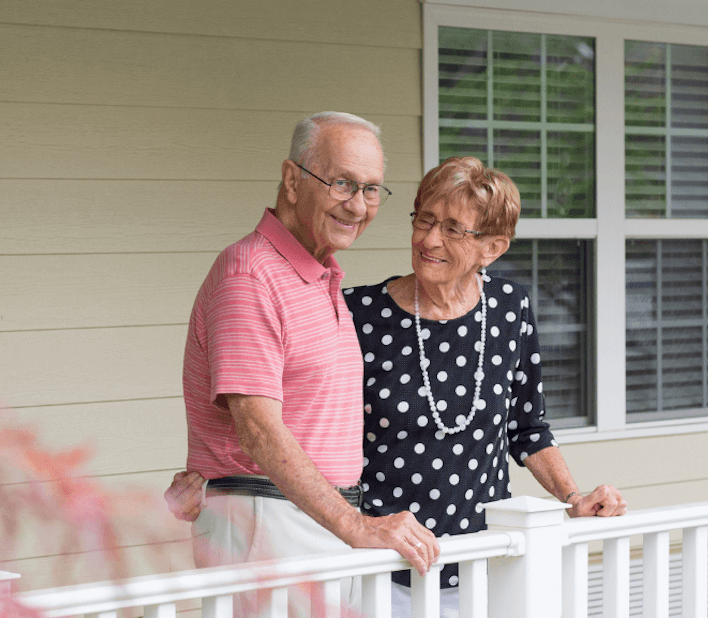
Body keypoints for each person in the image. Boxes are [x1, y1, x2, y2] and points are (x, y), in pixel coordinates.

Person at [170, 156, 626, 617]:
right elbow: (286, 411)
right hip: (377, 566)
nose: (429, 239)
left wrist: (572, 497)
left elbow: (527, 428)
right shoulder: (358, 312)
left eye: (452, 229)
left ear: (493, 247)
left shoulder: (510, 308)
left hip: (482, 563)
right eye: (424, 219)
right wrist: (215, 477)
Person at [181, 111, 439, 617]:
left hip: (314, 518)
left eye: (371, 189)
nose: (358, 205)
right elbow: (256, 431)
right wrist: (357, 525)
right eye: (342, 183)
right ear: (292, 180)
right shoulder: (250, 274)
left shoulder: (320, 277)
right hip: (269, 517)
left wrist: (350, 522)